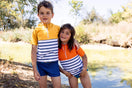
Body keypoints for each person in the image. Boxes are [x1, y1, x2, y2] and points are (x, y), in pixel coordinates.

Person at [31, 1, 61, 88]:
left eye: (48, 13)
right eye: (42, 13)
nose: (45, 15)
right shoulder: (36, 30)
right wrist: (34, 69)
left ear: (52, 15)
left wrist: (74, 41)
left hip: (54, 64)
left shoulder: (57, 28)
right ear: (38, 15)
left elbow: (67, 38)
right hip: (41, 64)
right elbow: (33, 50)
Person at [58, 23, 92, 88]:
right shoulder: (56, 48)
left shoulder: (74, 45)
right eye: (62, 32)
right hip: (71, 75)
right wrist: (64, 72)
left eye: (67, 33)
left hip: (82, 71)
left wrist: (84, 69)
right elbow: (55, 63)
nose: (63, 35)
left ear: (71, 36)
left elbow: (84, 56)